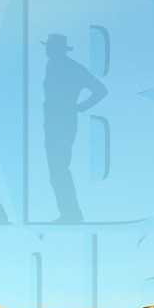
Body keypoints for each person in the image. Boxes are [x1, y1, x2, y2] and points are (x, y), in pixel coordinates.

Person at [41, 33, 107, 224]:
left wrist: (80, 107)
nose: (48, 51)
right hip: (52, 122)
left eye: (50, 48)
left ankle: (72, 214)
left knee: (59, 168)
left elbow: (101, 90)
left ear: (59, 50)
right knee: (56, 170)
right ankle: (68, 213)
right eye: (47, 48)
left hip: (63, 123)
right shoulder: (51, 66)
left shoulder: (73, 68)